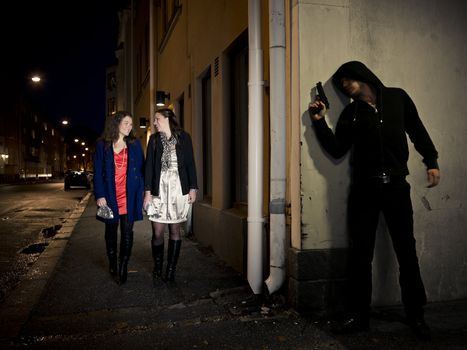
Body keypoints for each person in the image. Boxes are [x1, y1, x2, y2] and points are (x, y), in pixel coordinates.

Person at [309, 61, 440, 340]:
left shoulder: (397, 98)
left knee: (406, 251)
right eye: (340, 83)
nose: (344, 85)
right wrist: (319, 123)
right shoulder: (349, 114)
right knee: (360, 255)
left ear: (361, 75)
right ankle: (359, 317)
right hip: (364, 191)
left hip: (395, 187)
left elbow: (417, 130)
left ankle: (416, 315)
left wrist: (431, 160)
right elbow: (336, 149)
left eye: (347, 79)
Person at [144, 108, 198, 282]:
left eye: (157, 119)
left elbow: (190, 164)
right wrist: (147, 193)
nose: (154, 122)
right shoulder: (153, 141)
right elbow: (149, 169)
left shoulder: (184, 138)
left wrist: (193, 188)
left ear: (167, 119)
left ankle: (171, 269)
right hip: (158, 190)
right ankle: (158, 266)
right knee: (157, 232)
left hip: (177, 189)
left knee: (175, 230)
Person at [93, 111, 145, 285]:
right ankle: (113, 262)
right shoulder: (103, 145)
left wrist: (146, 193)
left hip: (130, 195)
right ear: (116, 124)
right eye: (126, 123)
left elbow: (142, 170)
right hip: (110, 195)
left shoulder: (135, 144)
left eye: (131, 124)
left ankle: (123, 265)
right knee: (111, 232)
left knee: (127, 232)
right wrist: (99, 195)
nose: (129, 127)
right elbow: (98, 174)